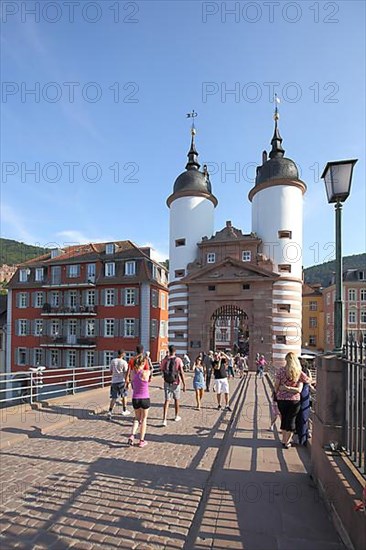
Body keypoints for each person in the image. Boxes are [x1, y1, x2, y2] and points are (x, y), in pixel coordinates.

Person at [274, 352, 312, 448]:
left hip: (281, 399)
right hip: (294, 400)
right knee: (291, 420)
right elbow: (307, 380)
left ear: (286, 360)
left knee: (284, 419)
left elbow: (276, 385)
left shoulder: (281, 370)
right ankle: (287, 442)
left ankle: (283, 440)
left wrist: (280, 391)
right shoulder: (298, 372)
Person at [125, 347, 151, 448]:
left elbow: (132, 383)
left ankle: (132, 435)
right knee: (144, 420)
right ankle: (141, 440)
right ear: (143, 363)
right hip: (145, 398)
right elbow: (149, 377)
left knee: (136, 418)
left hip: (135, 398)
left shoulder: (132, 373)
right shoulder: (145, 373)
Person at [160, 344, 186, 426]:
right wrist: (184, 384)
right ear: (175, 351)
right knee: (176, 400)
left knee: (167, 400)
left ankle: (164, 419)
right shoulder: (178, 360)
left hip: (167, 382)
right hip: (176, 382)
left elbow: (162, 369)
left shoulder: (165, 360)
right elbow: (181, 372)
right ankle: (176, 416)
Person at [295, 358, 315, 446]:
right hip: (304, 395)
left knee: (298, 417)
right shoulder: (305, 372)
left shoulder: (296, 371)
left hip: (296, 395)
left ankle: (300, 437)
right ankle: (303, 439)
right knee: (304, 417)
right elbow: (308, 380)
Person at [107, 350, 130, 420]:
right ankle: (124, 410)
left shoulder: (113, 361)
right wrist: (127, 382)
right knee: (124, 396)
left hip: (114, 381)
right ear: (122, 354)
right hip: (121, 381)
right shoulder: (124, 362)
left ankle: (110, 411)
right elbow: (126, 372)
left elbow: (110, 371)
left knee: (114, 397)